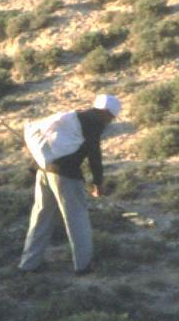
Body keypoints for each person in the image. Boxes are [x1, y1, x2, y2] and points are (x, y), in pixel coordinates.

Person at [19, 94, 121, 276]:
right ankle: (83, 266)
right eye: (111, 118)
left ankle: (29, 264)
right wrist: (98, 183)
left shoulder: (73, 116)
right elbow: (94, 156)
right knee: (77, 220)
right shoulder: (94, 124)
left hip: (43, 171)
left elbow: (50, 143)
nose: (110, 122)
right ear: (106, 113)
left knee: (41, 217)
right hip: (65, 176)